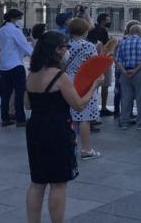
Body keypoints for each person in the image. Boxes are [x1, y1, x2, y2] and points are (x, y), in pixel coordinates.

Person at [24, 31, 101, 223]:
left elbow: (27, 104)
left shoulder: (32, 73)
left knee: (37, 182)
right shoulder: (60, 76)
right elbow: (79, 104)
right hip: (57, 128)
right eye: (64, 47)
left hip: (35, 127)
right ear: (55, 50)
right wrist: (94, 85)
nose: (67, 50)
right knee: (58, 182)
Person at [65, 18, 102, 160]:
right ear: (85, 30)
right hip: (83, 81)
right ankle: (86, 150)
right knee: (84, 117)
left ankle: (70, 147)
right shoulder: (88, 46)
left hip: (67, 80)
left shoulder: (66, 45)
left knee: (72, 117)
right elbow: (94, 65)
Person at [0, 9, 33, 127]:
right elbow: (24, 45)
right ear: (14, 18)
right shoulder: (15, 30)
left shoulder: (1, 30)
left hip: (4, 66)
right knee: (19, 92)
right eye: (19, 18)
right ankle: (20, 119)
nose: (20, 20)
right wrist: (36, 55)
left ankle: (5, 118)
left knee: (5, 93)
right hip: (16, 65)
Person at [115, 24, 141, 130]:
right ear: (139, 32)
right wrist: (135, 70)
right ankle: (140, 123)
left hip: (125, 72)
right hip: (140, 72)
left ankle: (124, 122)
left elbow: (117, 59)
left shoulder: (122, 42)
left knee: (126, 97)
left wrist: (125, 72)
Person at [87, 13, 114, 117]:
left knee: (95, 86)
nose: (109, 22)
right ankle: (102, 107)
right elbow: (105, 46)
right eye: (108, 20)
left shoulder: (94, 29)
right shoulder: (102, 31)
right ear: (102, 21)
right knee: (104, 86)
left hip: (95, 62)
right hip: (102, 61)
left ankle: (93, 106)